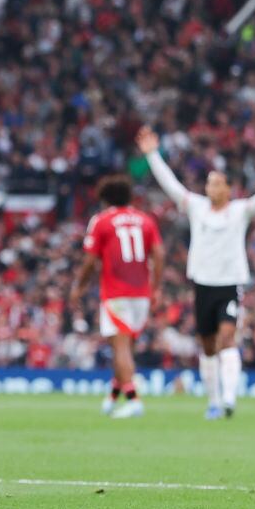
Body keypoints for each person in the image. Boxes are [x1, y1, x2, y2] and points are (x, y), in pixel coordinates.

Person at [137, 127, 255, 419]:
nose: (211, 187)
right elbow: (171, 185)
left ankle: (229, 398)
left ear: (227, 189)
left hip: (229, 284)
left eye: (216, 183)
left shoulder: (239, 211)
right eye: (208, 183)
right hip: (203, 285)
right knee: (208, 346)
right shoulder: (196, 208)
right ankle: (213, 400)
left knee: (227, 338)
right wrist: (151, 155)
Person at [69, 175, 164, 419]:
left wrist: (78, 287)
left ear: (105, 200)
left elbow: (90, 260)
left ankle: (133, 400)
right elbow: (159, 254)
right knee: (124, 348)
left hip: (116, 294)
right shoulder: (145, 220)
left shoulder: (102, 221)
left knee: (120, 348)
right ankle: (113, 395)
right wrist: (157, 287)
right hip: (141, 294)